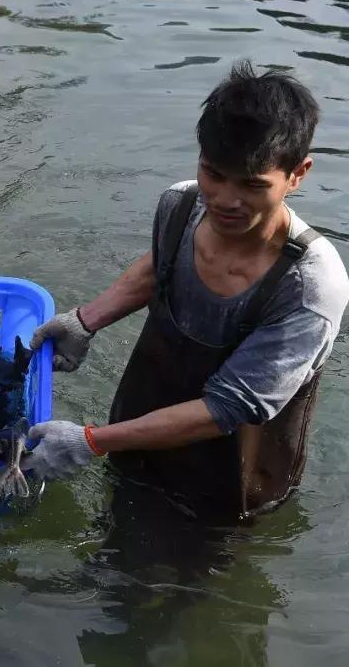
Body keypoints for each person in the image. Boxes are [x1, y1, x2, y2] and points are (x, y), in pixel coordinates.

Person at [24, 60, 348, 520]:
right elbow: (163, 265)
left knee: (167, 582)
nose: (225, 200)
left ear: (297, 174)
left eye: (253, 185)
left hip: (225, 479)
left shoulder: (310, 287)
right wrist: (85, 320)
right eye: (214, 174)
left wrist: (89, 440)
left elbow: (226, 408)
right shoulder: (182, 205)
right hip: (135, 427)